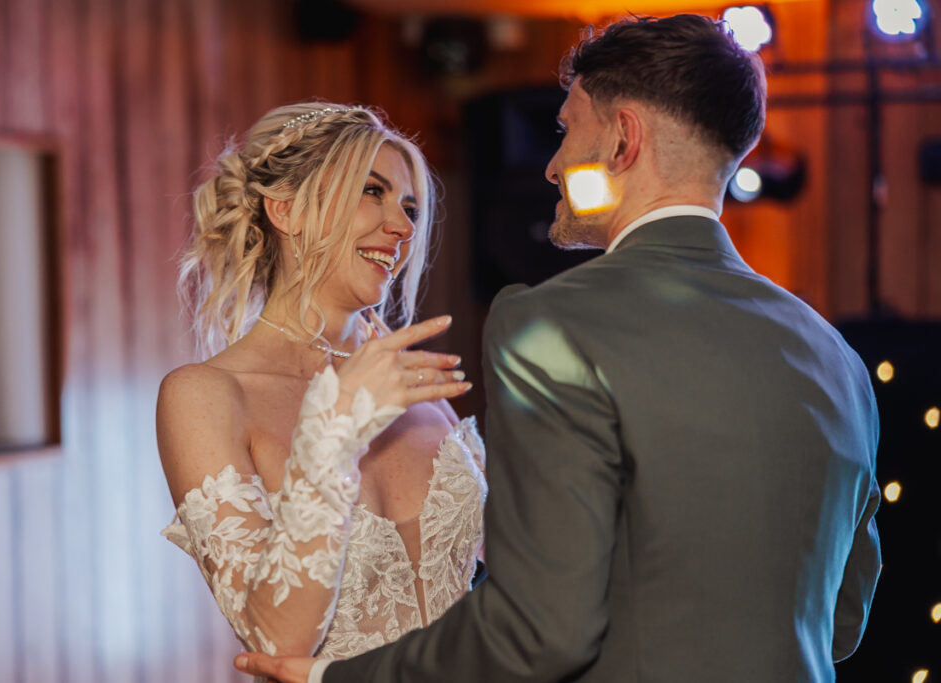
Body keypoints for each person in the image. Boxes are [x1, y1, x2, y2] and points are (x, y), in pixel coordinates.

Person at [236, 14, 881, 683]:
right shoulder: (836, 358)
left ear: (623, 140)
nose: (552, 165)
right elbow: (841, 621)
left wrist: (337, 676)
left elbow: (542, 634)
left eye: (567, 129)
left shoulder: (551, 325)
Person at [156, 103, 487, 670]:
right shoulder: (206, 395)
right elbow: (279, 642)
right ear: (286, 211)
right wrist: (332, 438)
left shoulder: (413, 383)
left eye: (409, 207)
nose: (404, 228)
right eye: (372, 191)